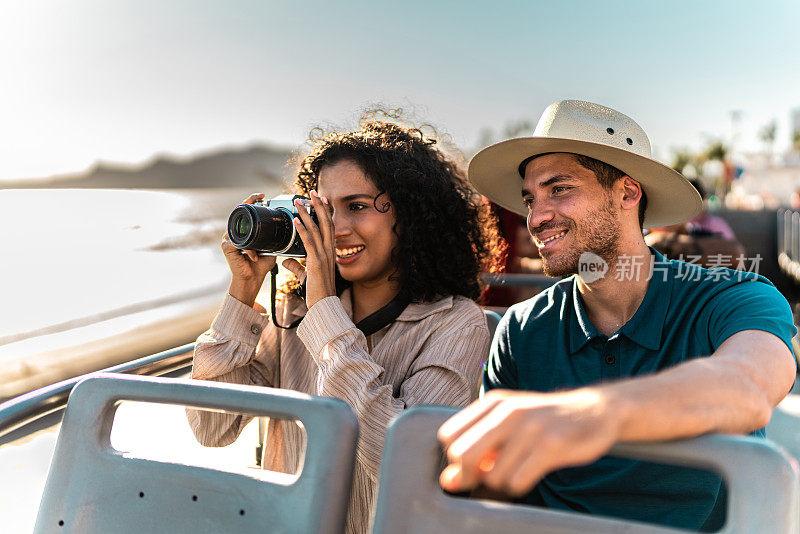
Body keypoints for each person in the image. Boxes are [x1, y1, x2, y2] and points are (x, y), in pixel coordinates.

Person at [437, 100, 796, 531]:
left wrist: (589, 416)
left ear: (628, 193)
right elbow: (492, 502)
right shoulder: (521, 329)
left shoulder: (734, 298)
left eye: (560, 189)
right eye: (530, 198)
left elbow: (748, 387)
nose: (537, 216)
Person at [186, 114, 505, 534]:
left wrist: (324, 312)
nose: (334, 229)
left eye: (356, 206)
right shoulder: (294, 315)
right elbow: (212, 428)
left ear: (409, 218)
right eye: (323, 210)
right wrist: (243, 293)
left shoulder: (455, 323)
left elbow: (406, 462)